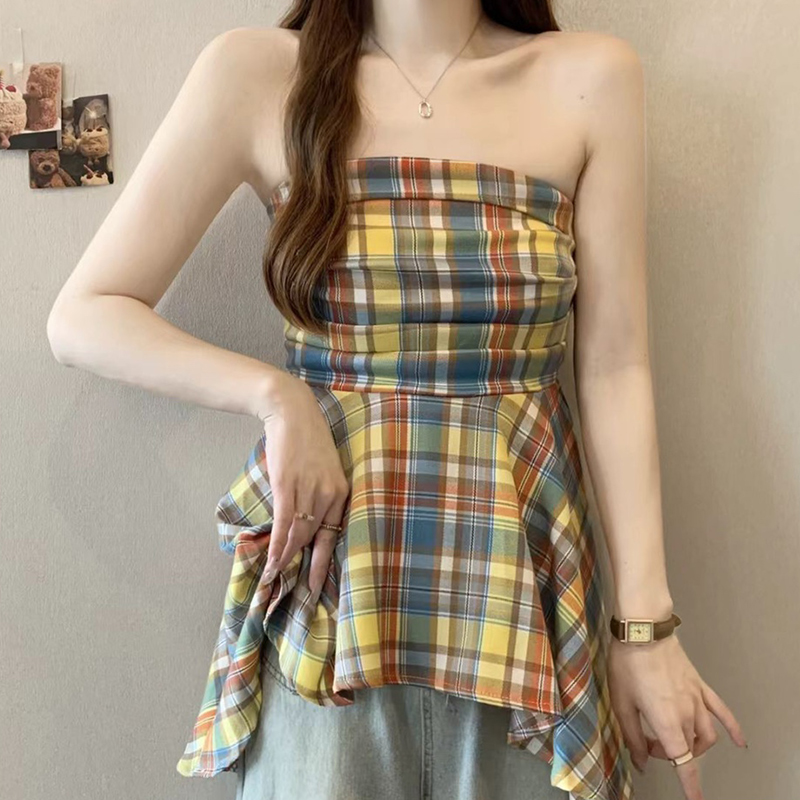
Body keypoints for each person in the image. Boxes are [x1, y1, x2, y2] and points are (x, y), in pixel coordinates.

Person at [46, 2, 748, 799]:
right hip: (331, 607)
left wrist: (645, 632)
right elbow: (85, 315)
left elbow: (615, 367)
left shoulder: (591, 78)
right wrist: (276, 396)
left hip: (527, 605)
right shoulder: (257, 73)